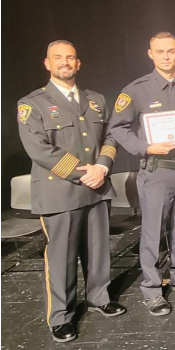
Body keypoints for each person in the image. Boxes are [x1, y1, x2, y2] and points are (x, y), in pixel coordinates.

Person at [17, 40, 126, 343]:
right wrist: (84, 172)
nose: (65, 62)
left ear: (78, 64)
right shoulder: (32, 103)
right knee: (61, 256)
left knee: (98, 250)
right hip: (60, 192)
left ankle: (99, 297)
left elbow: (112, 136)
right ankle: (61, 316)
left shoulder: (96, 100)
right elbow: (40, 150)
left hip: (97, 186)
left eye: (70, 58)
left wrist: (102, 166)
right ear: (47, 63)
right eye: (58, 58)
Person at [108, 32, 175, 316]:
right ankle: (152, 289)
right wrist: (146, 147)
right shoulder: (135, 90)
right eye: (160, 51)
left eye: (171, 51)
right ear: (150, 54)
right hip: (156, 172)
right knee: (152, 233)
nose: (166, 56)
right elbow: (118, 129)